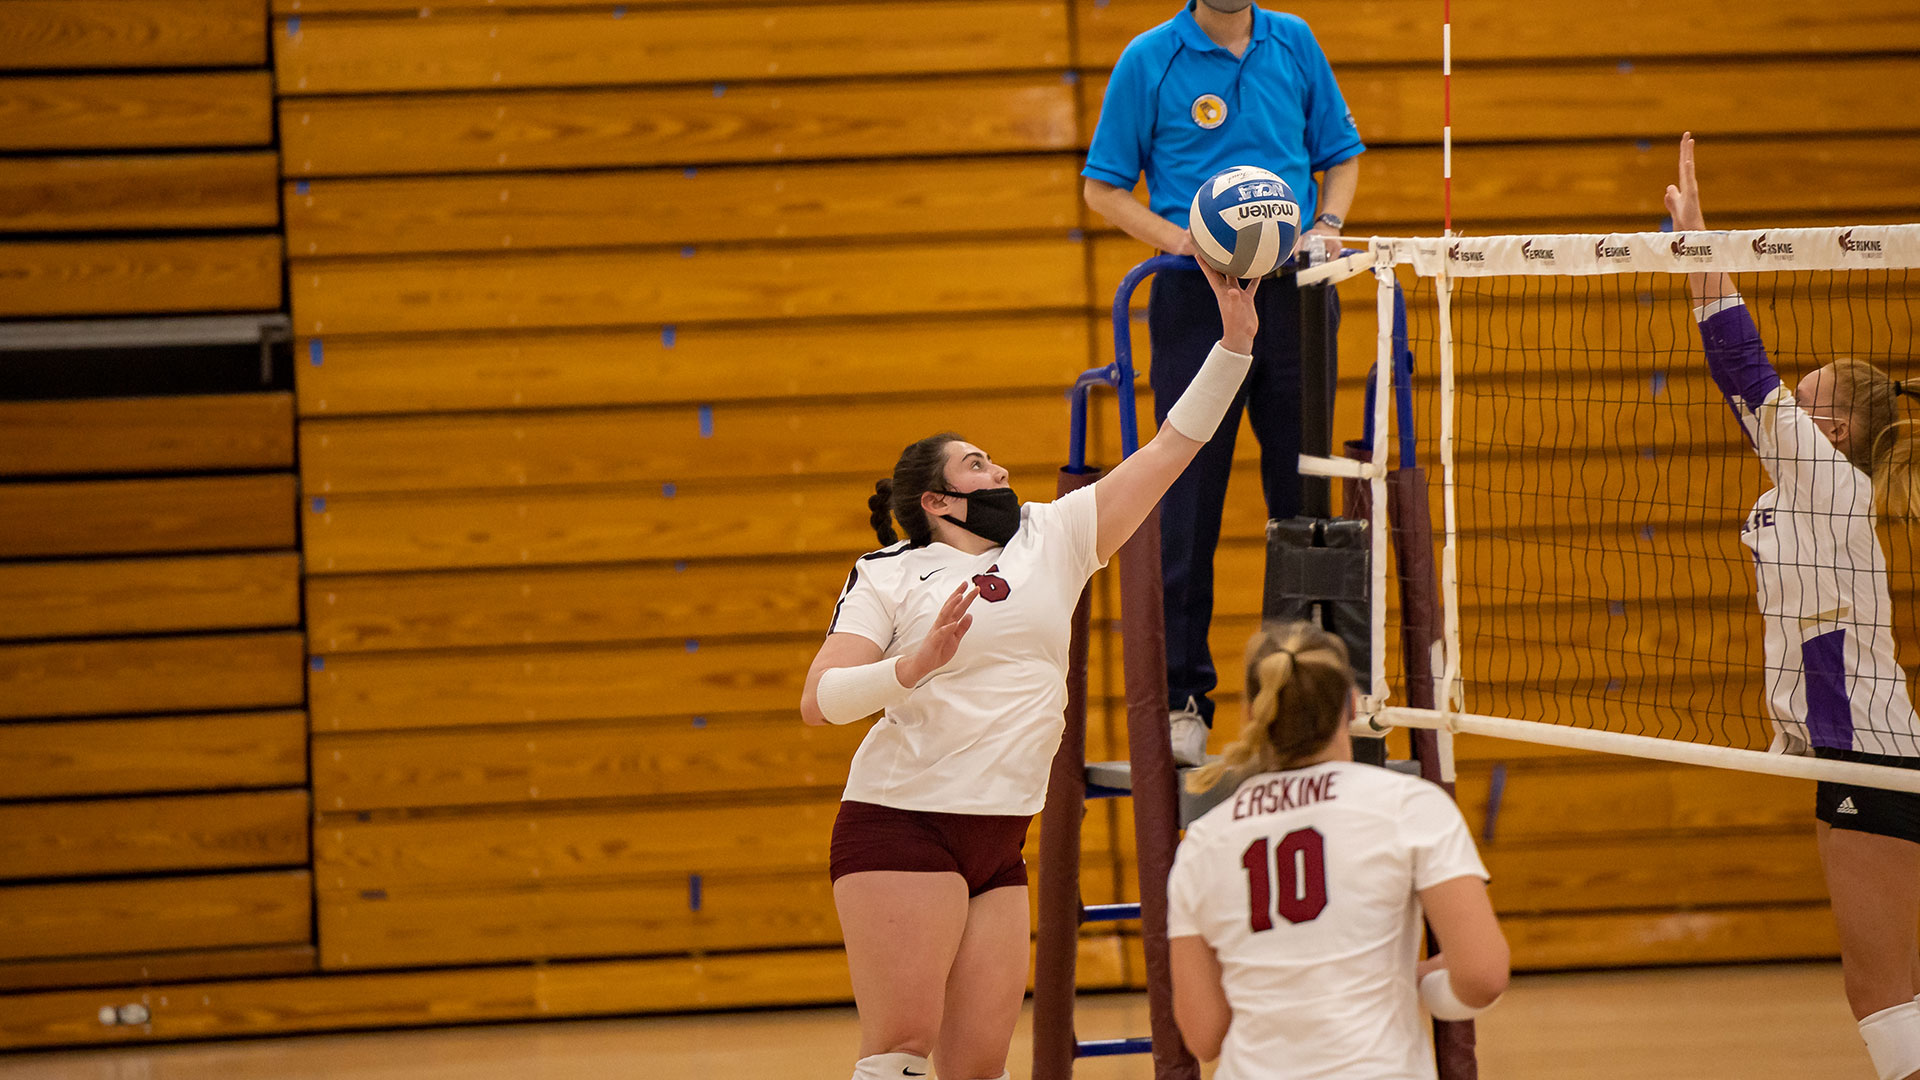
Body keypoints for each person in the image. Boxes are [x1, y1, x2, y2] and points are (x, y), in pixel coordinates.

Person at [798, 261, 1268, 1080]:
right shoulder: (888, 572)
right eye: (978, 465)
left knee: (978, 1067)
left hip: (1000, 835)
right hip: (902, 819)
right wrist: (912, 666)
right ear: (938, 502)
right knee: (901, 1052)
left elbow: (1171, 448)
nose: (1000, 472)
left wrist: (1234, 346)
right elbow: (822, 701)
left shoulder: (1058, 536)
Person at [1667, 131, 1920, 1080]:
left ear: (1837, 430)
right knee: (1891, 983)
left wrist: (1697, 247)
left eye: (1804, 402)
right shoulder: (1808, 494)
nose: (1784, 412)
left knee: (1880, 988)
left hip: (1871, 753)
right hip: (1857, 748)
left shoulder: (1826, 481)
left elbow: (1742, 371)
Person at [1082, 0, 1367, 765]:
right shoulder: (1151, 57)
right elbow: (1102, 188)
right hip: (1192, 294)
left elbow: (1340, 154)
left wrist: (1328, 225)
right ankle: (1181, 701)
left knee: (1304, 503)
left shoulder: (1295, 39)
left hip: (1296, 290)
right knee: (1185, 500)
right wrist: (1181, 240)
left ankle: (1316, 704)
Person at [1165, 621, 1509, 1078]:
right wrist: (1408, 983)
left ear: (1251, 713)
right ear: (1351, 704)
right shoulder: (1409, 807)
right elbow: (1482, 977)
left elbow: (1204, 1035)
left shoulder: (1203, 843)